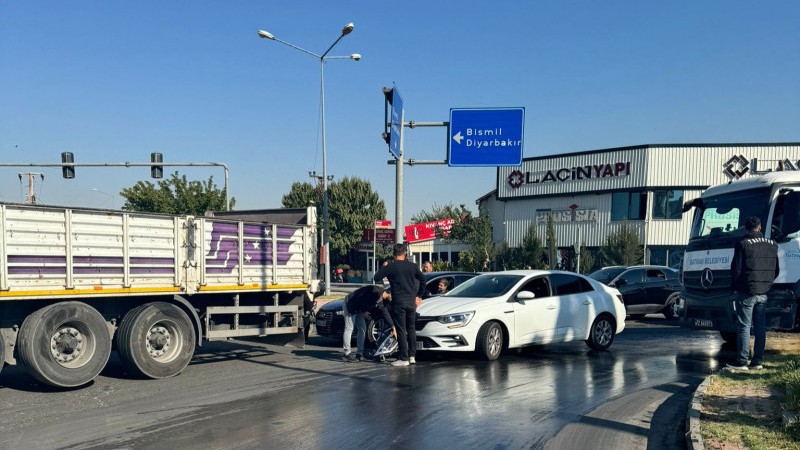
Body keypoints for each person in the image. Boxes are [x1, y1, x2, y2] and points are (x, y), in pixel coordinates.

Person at [726, 216, 780, 371]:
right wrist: (766, 284)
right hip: (763, 292)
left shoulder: (742, 244)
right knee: (760, 327)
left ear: (746, 228)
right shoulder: (772, 245)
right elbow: (776, 270)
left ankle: (742, 361)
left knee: (744, 326)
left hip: (746, 292)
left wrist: (735, 289)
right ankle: (758, 362)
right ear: (760, 227)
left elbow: (735, 270)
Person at [373, 243, 426, 367]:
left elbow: (376, 277)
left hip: (399, 302)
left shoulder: (391, 266)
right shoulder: (412, 266)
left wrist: (383, 267)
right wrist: (419, 295)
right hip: (411, 301)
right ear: (405, 254)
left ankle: (404, 357)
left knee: (401, 330)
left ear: (393, 254)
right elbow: (423, 279)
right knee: (411, 329)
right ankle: (412, 356)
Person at [342, 285, 396, 362]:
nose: (392, 299)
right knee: (349, 328)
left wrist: (393, 327)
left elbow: (384, 312)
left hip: (359, 308)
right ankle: (347, 353)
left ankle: (360, 353)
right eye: (392, 296)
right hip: (350, 304)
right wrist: (364, 310)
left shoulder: (380, 299)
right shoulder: (375, 291)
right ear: (389, 293)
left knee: (362, 328)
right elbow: (362, 298)